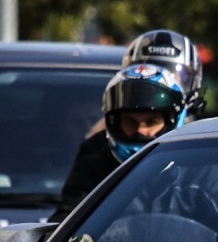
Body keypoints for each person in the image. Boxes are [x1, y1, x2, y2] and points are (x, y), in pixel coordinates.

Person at [51, 29, 207, 222]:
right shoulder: (96, 154)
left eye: (152, 121)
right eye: (131, 121)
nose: (149, 81)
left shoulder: (207, 155)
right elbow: (67, 223)